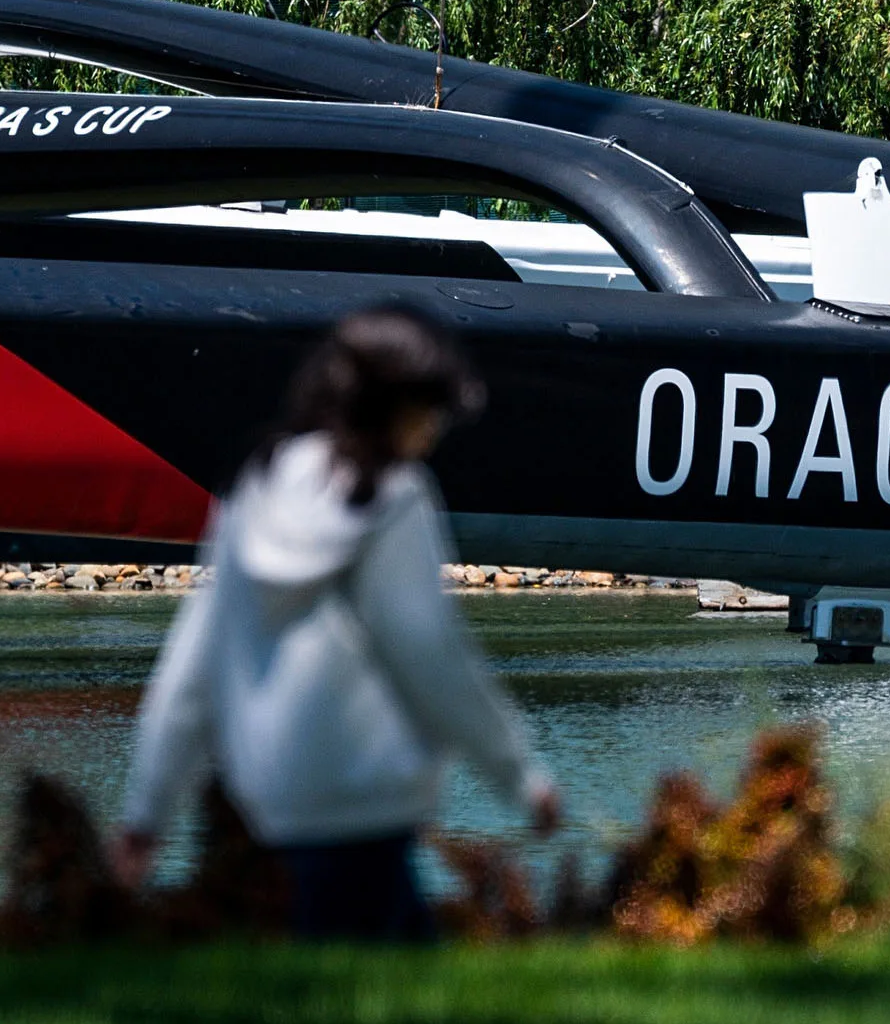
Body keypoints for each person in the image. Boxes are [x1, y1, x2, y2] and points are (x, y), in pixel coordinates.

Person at [110, 305, 559, 941]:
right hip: (370, 798)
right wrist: (521, 777)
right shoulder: (394, 496)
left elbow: (192, 668)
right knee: (378, 995)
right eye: (427, 409)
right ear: (390, 405)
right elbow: (431, 656)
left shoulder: (255, 483)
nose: (434, 429)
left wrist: (145, 814)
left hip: (271, 803)